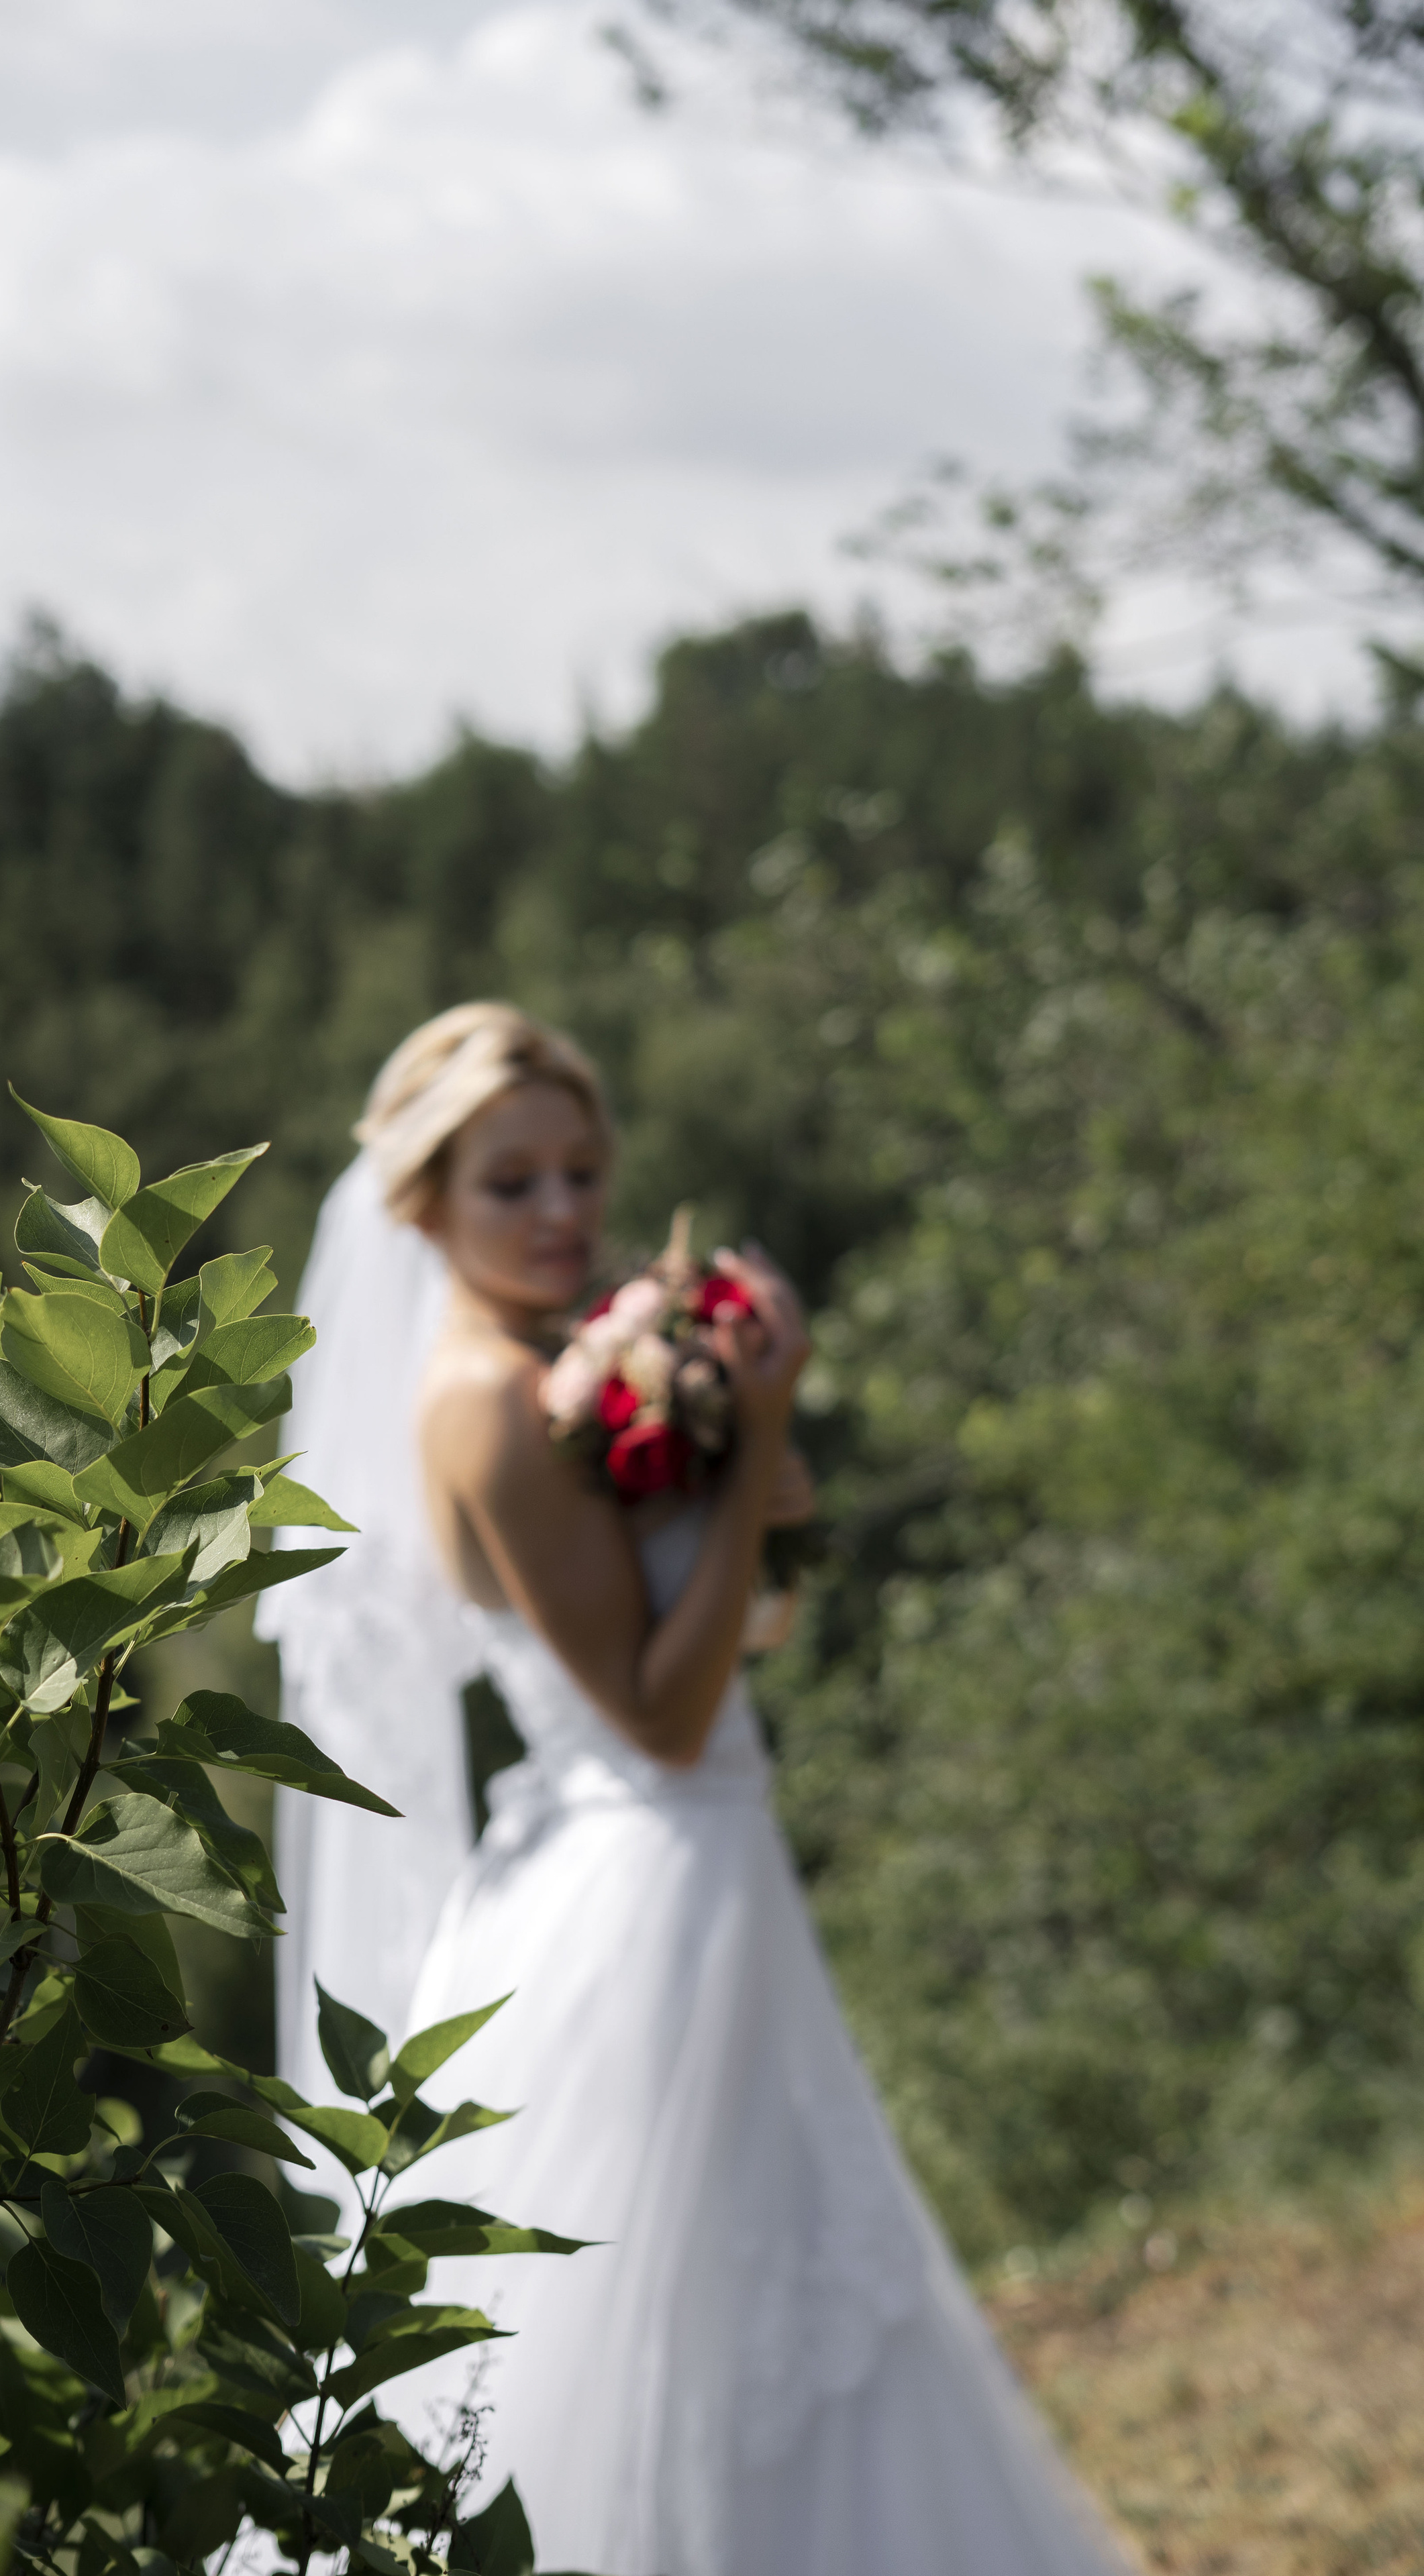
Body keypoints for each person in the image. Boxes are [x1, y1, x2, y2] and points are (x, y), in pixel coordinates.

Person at [254, 1001, 1127, 2576]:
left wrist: (747, 1510)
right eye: (509, 1182)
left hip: (689, 1859)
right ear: (421, 1202)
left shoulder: (548, 1367)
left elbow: (716, 1642)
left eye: (579, 1172)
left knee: (760, 2286)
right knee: (656, 2322)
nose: (561, 1213)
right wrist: (761, 1436)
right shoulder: (477, 1402)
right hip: (637, 1876)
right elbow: (657, 1715)